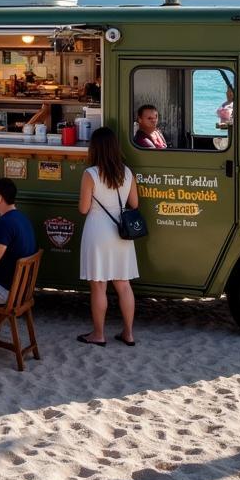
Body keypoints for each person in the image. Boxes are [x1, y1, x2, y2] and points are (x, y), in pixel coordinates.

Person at [78, 127, 139, 347]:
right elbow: (134, 204)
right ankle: (129, 333)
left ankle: (98, 334)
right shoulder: (127, 172)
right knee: (123, 285)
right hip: (122, 233)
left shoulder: (91, 174)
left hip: (97, 232)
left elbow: (84, 209)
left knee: (99, 286)